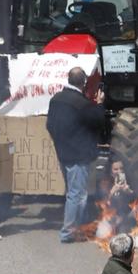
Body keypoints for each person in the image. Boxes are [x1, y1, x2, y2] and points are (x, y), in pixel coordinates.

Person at [45, 68, 107, 245]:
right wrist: (100, 103)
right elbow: (99, 121)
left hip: (63, 153)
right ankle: (68, 232)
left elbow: (50, 125)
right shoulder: (82, 103)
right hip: (78, 155)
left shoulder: (56, 99)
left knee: (73, 191)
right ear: (84, 82)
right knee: (77, 195)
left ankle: (78, 228)